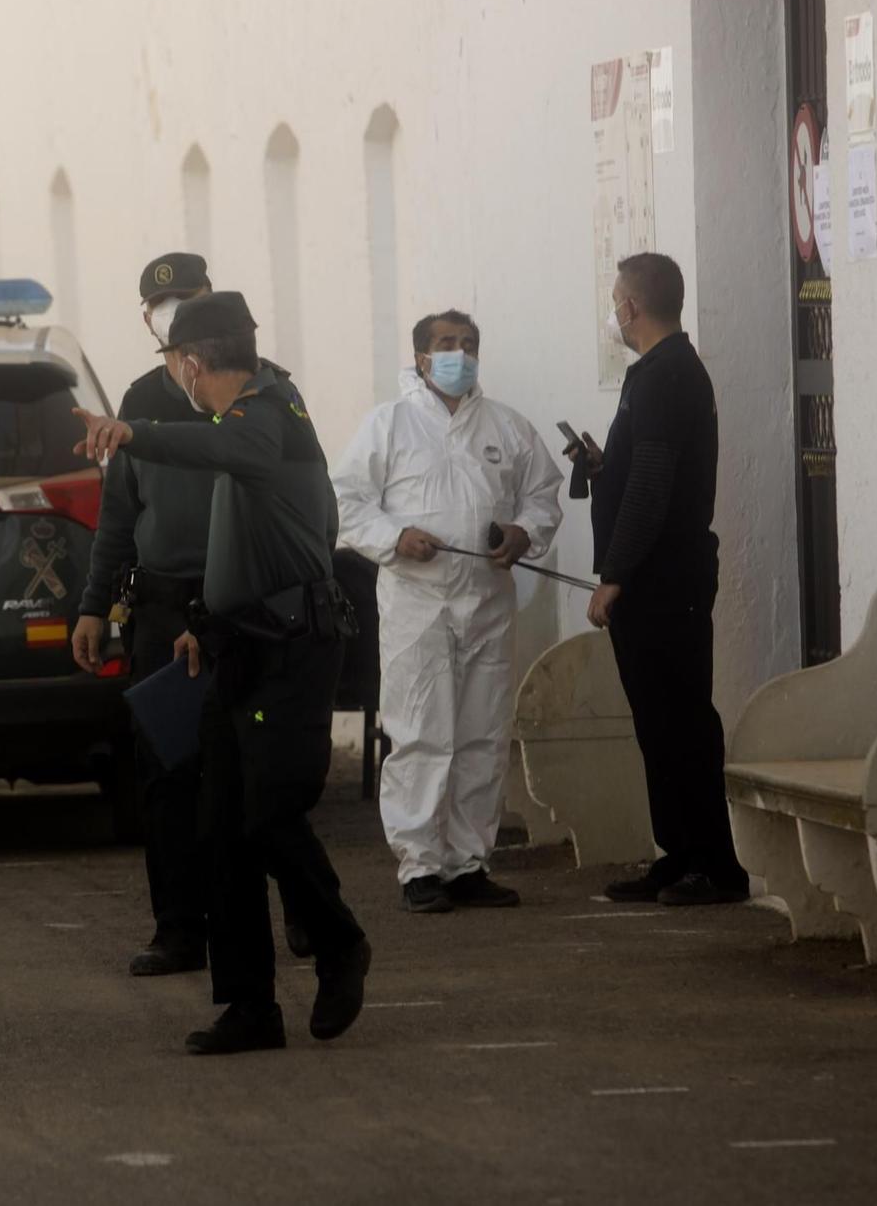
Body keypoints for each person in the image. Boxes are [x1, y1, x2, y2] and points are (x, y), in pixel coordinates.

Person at [73, 292, 370, 1057]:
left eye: (182, 373)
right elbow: (239, 534)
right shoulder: (247, 411)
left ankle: (339, 941)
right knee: (223, 827)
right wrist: (204, 626)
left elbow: (227, 453)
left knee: (268, 810)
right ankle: (249, 1006)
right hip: (237, 639)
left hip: (293, 644)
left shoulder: (269, 412)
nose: (185, 386)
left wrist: (133, 431)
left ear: (193, 364)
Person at [70, 251, 313, 976]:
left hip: (244, 608)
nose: (175, 313)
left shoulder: (268, 395)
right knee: (168, 774)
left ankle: (300, 910)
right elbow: (119, 514)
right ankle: (179, 928)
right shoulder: (140, 396)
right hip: (164, 603)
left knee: (259, 772)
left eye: (188, 300)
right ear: (150, 322)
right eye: (162, 305)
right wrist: (93, 603)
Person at [331, 309, 563, 913]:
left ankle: (469, 864)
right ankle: (420, 867)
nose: (458, 354)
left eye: (468, 344)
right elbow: (348, 503)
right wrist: (395, 537)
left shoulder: (508, 427)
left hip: (487, 603)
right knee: (421, 735)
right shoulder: (389, 426)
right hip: (418, 605)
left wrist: (522, 532)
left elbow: (543, 495)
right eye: (445, 344)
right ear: (421, 358)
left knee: (483, 735)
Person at [570, 253, 749, 907]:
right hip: (657, 578)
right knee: (657, 721)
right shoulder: (657, 373)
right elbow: (641, 467)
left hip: (664, 580)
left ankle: (715, 864)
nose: (613, 310)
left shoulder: (667, 374)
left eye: (616, 299)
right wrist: (601, 463)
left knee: (681, 721)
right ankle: (678, 855)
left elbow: (652, 487)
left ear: (630, 307)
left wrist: (613, 577)